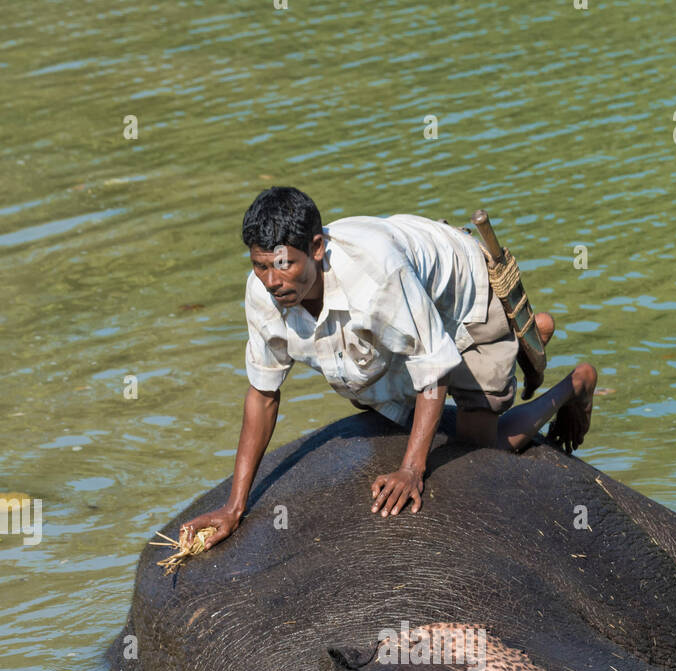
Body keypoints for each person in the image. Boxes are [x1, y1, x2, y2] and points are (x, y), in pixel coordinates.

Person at [181, 186, 598, 547]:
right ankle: (512, 342)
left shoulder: (377, 277)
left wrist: (412, 470)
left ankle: (572, 385)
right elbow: (263, 392)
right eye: (260, 266)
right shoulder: (262, 293)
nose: (272, 281)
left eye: (284, 264)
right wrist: (234, 507)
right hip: (405, 306)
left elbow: (432, 371)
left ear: (317, 248)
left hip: (459, 294)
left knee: (479, 445)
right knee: (372, 391)